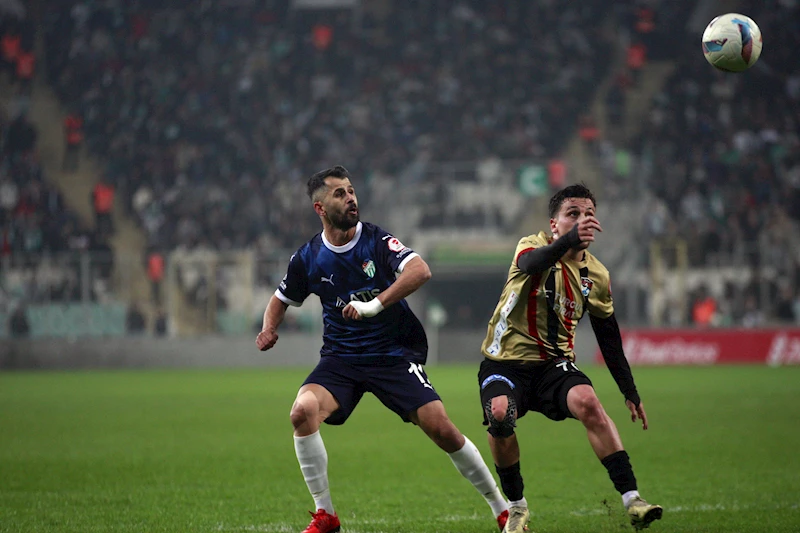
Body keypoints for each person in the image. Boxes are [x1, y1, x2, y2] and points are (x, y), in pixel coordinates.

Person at [256, 166, 509, 533]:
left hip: (392, 354)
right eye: (340, 193)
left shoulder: (376, 240)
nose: (350, 198)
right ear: (319, 208)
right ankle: (325, 515)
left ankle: (502, 509)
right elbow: (280, 299)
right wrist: (268, 328)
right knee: (302, 411)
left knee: (441, 429)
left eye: (351, 190)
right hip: (341, 359)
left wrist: (373, 305)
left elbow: (420, 270)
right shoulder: (308, 257)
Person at [477, 184, 663, 532]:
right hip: (504, 363)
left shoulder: (598, 275)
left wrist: (629, 390)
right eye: (572, 214)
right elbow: (532, 264)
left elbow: (609, 337)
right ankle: (516, 508)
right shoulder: (531, 245)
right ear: (554, 224)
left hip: (554, 366)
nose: (582, 220)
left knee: (589, 402)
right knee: (499, 415)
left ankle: (633, 500)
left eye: (588, 214)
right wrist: (568, 240)